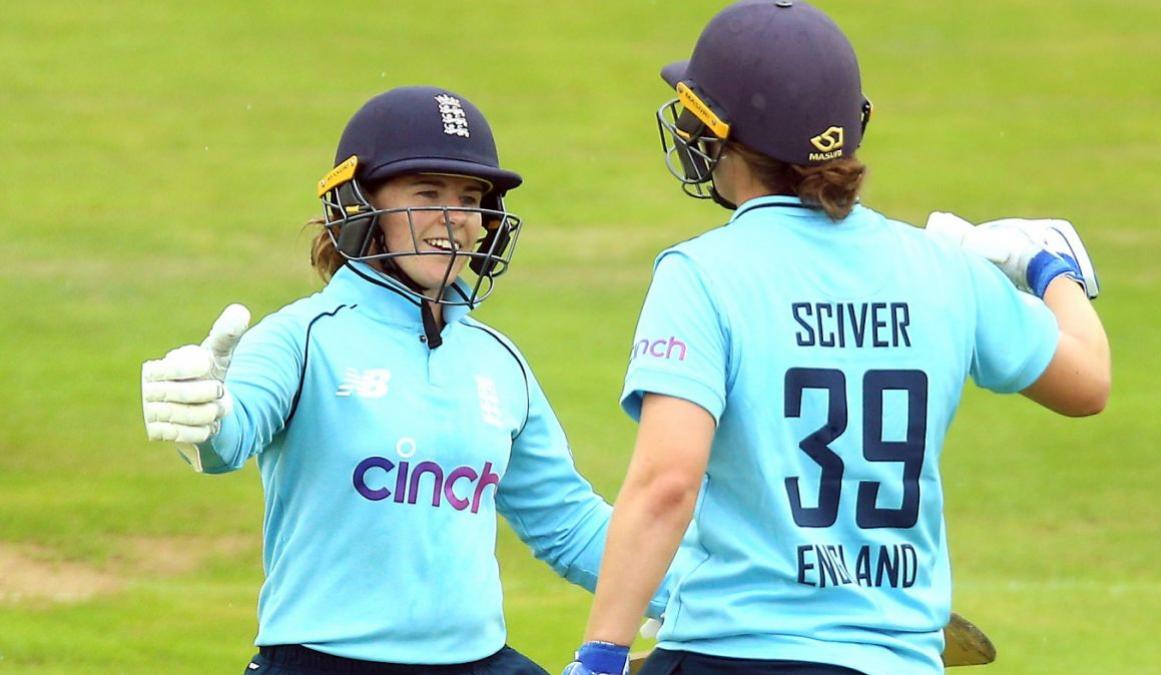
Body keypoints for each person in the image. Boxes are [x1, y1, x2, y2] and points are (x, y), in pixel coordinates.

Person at [564, 2, 1110, 674]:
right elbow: (1088, 382)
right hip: (898, 658)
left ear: (719, 135)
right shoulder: (946, 270)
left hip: (734, 653)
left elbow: (667, 483)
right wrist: (1046, 268)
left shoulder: (701, 274)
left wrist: (601, 654)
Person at [140, 86, 667, 675]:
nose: (454, 217)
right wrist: (206, 418)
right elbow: (230, 437)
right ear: (359, 204)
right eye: (426, 193)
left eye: (470, 198)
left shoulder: (499, 361)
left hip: (477, 661)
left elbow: (566, 522)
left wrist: (690, 590)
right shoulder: (303, 336)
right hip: (323, 662)